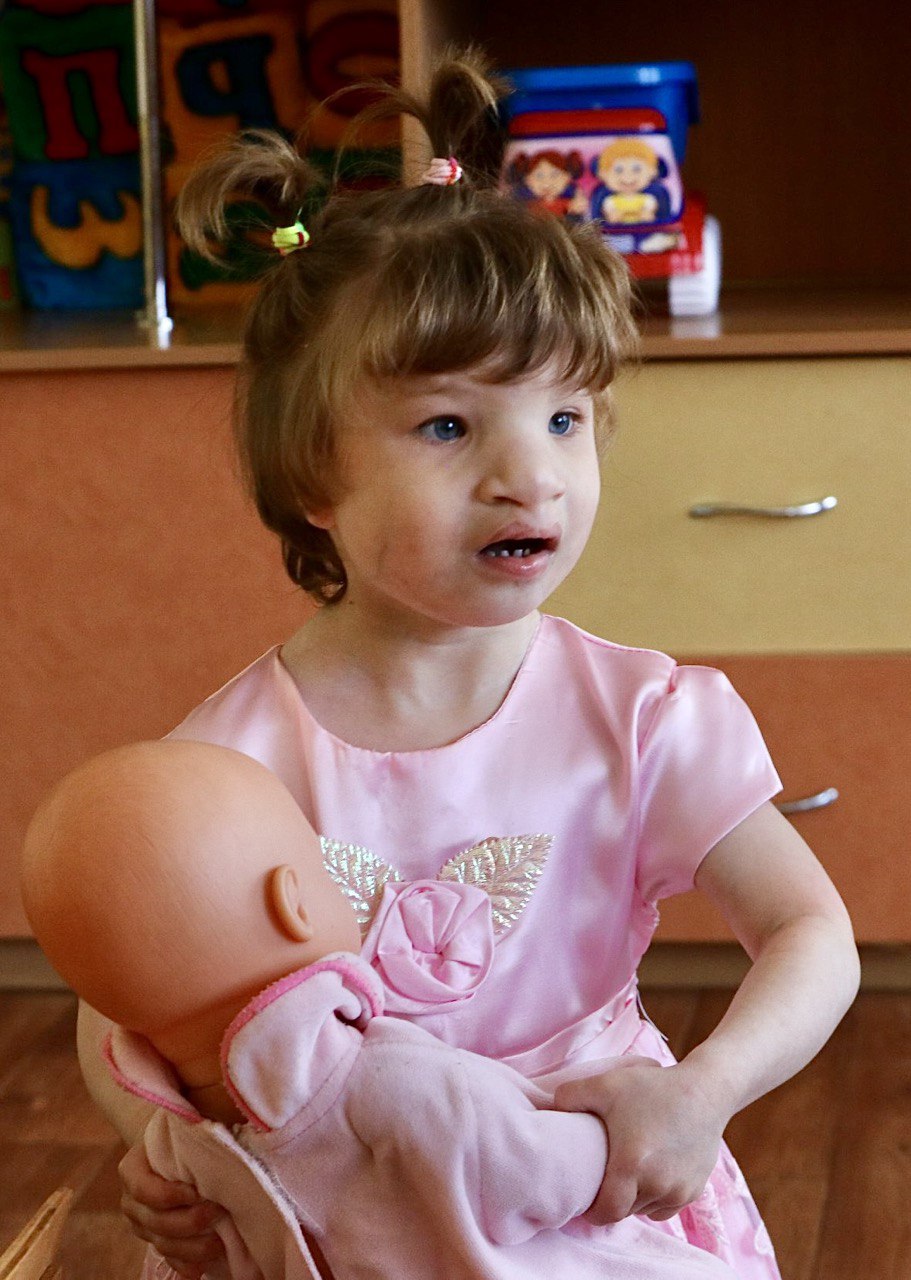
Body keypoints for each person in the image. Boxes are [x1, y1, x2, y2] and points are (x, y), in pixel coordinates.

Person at [72, 47, 859, 1280]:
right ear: (313, 478)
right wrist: (156, 1147)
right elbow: (120, 1004)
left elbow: (809, 929)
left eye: (563, 417)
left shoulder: (639, 713)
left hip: (593, 1180)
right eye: (447, 424)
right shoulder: (227, 760)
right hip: (343, 1209)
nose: (527, 473)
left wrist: (699, 1092)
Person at [29, 740, 735, 1280]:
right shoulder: (388, 1084)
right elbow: (538, 1172)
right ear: (294, 902)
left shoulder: (179, 1150)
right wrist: (609, 1133)